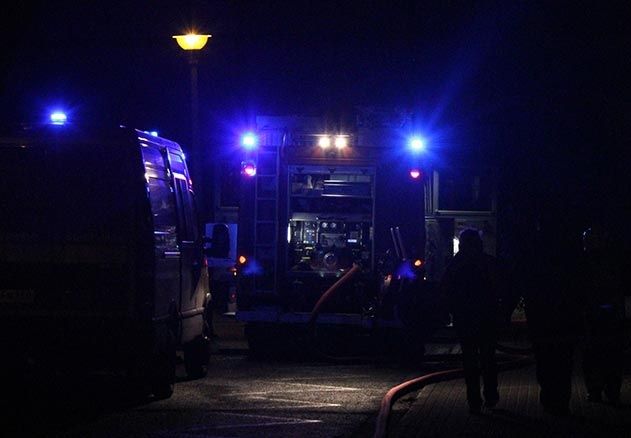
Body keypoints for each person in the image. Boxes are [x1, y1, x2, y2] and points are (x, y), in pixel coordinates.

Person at [519, 216, 583, 416]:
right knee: (563, 363)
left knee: (546, 362)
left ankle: (550, 401)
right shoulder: (569, 258)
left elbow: (528, 287)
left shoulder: (535, 258)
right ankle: (561, 402)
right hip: (563, 322)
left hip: (544, 323)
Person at [441, 228, 503, 414]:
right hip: (486, 319)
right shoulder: (488, 263)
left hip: (465, 319)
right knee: (488, 358)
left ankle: (474, 400)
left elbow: (446, 291)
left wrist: (448, 312)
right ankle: (491, 395)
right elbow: (500, 287)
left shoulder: (455, 265)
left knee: (470, 361)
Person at [579, 225, 625, 405]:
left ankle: (598, 389)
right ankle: (608, 389)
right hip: (603, 314)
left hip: (597, 314)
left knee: (596, 354)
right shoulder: (610, 261)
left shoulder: (587, 263)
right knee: (607, 354)